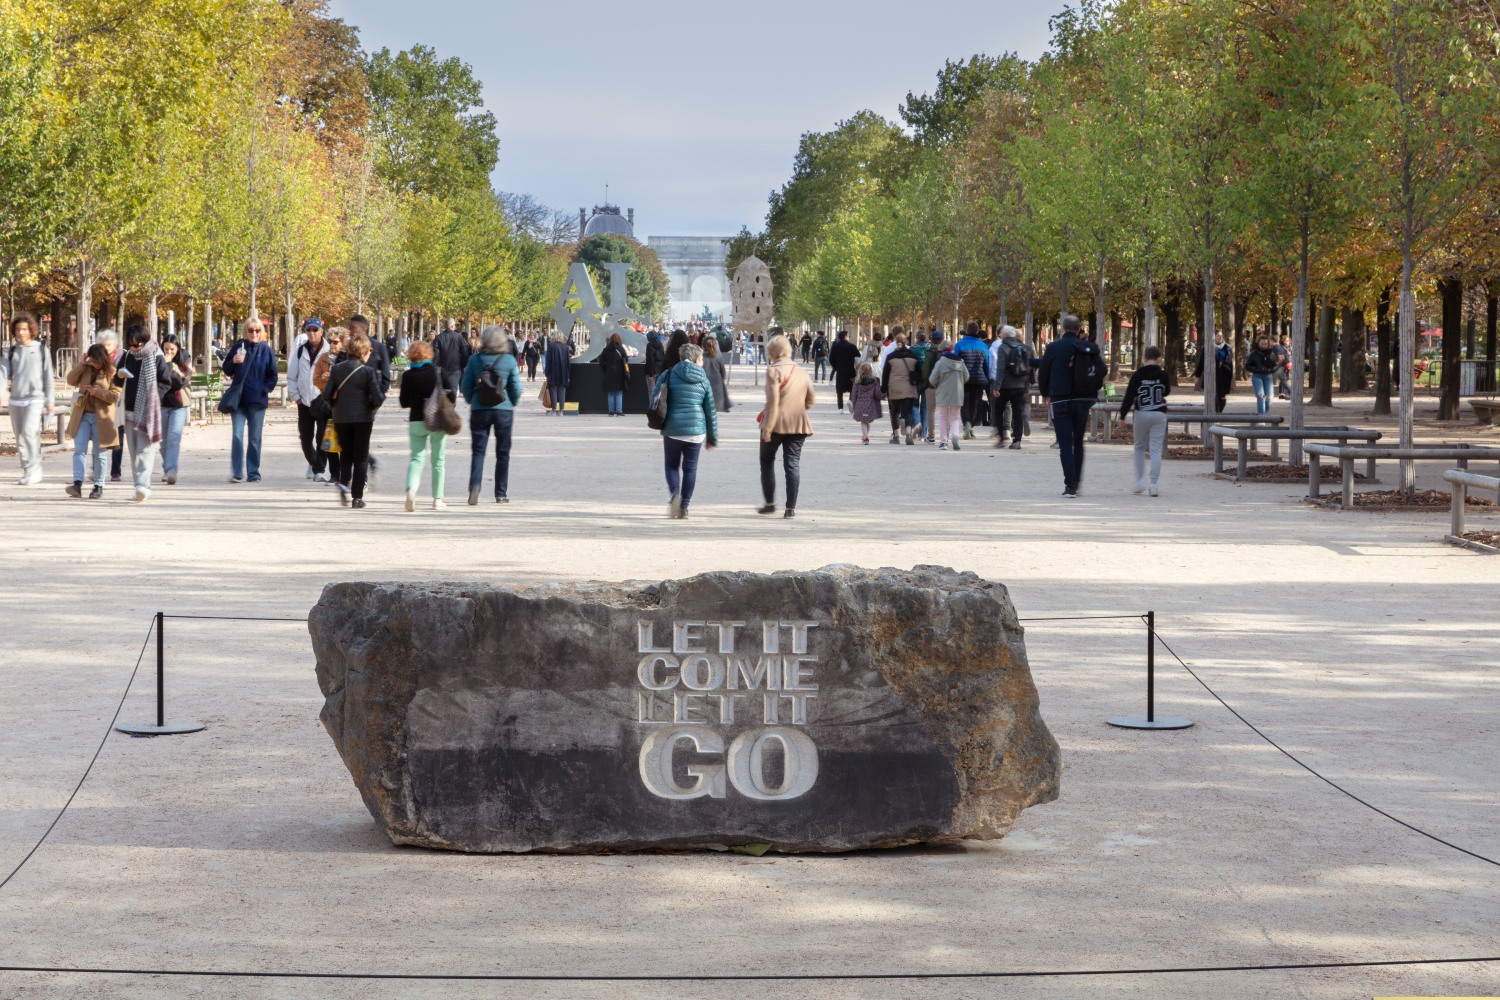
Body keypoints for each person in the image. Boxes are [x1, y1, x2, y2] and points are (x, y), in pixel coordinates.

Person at [461, 325, 523, 505]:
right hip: (503, 411)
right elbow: (516, 388)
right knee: (503, 453)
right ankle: (501, 493)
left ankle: (474, 486)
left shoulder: (475, 360)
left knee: (478, 452)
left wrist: (472, 400)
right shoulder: (508, 360)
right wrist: (511, 402)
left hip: (479, 410)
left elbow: (465, 386)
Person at [1038, 314, 1099, 499]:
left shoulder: (1053, 347)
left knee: (1065, 444)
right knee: (1078, 442)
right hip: (1082, 399)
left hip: (1060, 399)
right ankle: (1077, 483)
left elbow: (1043, 372)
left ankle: (1070, 485)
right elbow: (1101, 370)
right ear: (1080, 328)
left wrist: (1045, 393)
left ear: (1063, 329)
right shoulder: (1089, 348)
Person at [655, 342, 717, 519]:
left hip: (672, 428)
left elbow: (655, 398)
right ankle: (684, 507)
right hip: (696, 430)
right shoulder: (703, 379)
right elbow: (710, 409)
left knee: (671, 465)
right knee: (690, 469)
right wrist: (712, 436)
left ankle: (675, 495)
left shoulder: (668, 374)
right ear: (697, 358)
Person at [323, 331, 385, 508]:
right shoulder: (367, 372)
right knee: (361, 457)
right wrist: (371, 408)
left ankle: (343, 487)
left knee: (346, 455)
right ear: (364, 351)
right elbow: (379, 398)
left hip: (341, 418)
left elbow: (327, 395)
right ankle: (357, 496)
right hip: (363, 418)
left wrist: (335, 408)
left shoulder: (336, 369)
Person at [757, 334, 815, 519]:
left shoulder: (773, 371)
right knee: (792, 464)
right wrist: (797, 409)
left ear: (772, 352)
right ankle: (790, 508)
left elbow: (773, 402)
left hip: (775, 424)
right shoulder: (802, 372)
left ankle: (770, 503)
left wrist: (767, 428)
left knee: (767, 461)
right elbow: (810, 400)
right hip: (798, 424)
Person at [220, 317, 278, 483]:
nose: (254, 333)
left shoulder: (266, 349)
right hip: (239, 401)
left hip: (257, 401)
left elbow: (272, 375)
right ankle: (237, 472)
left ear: (262, 332)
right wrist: (233, 361)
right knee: (237, 436)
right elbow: (226, 369)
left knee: (254, 438)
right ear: (245, 331)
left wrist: (264, 390)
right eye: (251, 330)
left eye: (257, 330)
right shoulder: (239, 347)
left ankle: (253, 472)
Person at [117, 324, 169, 502]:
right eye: (130, 345)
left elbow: (165, 381)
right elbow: (116, 379)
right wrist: (120, 376)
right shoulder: (127, 356)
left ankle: (143, 486)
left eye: (137, 345)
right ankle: (139, 485)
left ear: (145, 342)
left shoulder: (156, 355)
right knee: (133, 453)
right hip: (129, 410)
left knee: (144, 450)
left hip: (148, 411)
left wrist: (153, 398)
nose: (134, 348)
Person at [0, 312, 54, 484]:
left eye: (24, 329)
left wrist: (50, 401)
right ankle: (27, 469)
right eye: (17, 330)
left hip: (35, 398)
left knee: (30, 432)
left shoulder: (40, 349)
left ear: (31, 330)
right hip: (16, 399)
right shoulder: (11, 351)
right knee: (20, 437)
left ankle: (35, 466)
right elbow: (3, 374)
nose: (21, 333)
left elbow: (48, 376)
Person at [63, 343, 119, 499]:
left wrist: (98, 392)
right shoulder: (86, 369)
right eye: (91, 360)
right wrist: (82, 364)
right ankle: (77, 483)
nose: (93, 363)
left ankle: (98, 485)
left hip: (102, 418)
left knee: (99, 453)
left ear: (103, 359)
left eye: (96, 361)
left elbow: (115, 395)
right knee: (79, 449)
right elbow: (70, 379)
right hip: (83, 415)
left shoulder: (113, 372)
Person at [398, 341, 448, 512]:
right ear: (429, 354)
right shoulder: (438, 372)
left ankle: (411, 490)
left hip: (416, 420)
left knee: (416, 459)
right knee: (438, 461)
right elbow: (451, 396)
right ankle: (437, 500)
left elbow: (404, 402)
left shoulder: (408, 376)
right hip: (437, 420)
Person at [1119, 345, 1172, 497]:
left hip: (1142, 412)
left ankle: (1139, 481)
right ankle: (1153, 484)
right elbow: (1166, 391)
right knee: (1155, 449)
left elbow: (1129, 396)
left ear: (1144, 358)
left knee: (1139, 447)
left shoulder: (1137, 375)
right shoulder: (1163, 375)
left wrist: (1122, 416)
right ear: (1158, 359)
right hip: (1159, 413)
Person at [288, 318, 331, 481]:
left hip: (322, 401)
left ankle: (319, 470)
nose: (312, 333)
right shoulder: (300, 350)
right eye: (309, 330)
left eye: (315, 329)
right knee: (305, 438)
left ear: (321, 331)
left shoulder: (329, 350)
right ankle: (314, 463)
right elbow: (292, 376)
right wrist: (296, 397)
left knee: (322, 436)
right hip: (304, 402)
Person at [312, 327, 346, 488]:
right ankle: (334, 474)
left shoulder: (346, 359)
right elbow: (316, 380)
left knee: (342, 440)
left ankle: (345, 474)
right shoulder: (323, 359)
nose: (332, 344)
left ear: (342, 343)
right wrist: (327, 380)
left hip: (341, 404)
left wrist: (332, 378)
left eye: (335, 342)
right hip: (325, 403)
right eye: (330, 341)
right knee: (326, 439)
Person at [989, 325, 1032, 450]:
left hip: (1006, 386)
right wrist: (1027, 386)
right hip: (1021, 385)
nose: (1000, 334)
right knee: (1017, 412)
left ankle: (1002, 438)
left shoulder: (1003, 347)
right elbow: (1030, 368)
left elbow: (1001, 368)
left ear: (1006, 335)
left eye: (1001, 332)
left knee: (998, 410)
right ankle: (1017, 441)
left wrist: (996, 387)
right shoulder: (1025, 347)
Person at [159, 337, 192, 484]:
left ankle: (171, 470)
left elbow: (179, 382)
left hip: (179, 405)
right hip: (162, 404)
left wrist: (169, 366)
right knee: (164, 442)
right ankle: (167, 467)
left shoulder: (184, 362)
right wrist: (165, 365)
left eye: (172, 349)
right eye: (166, 349)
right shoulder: (158, 361)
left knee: (173, 438)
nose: (169, 352)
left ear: (177, 349)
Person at [880, 331, 920, 446]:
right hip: (909, 388)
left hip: (894, 388)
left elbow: (885, 374)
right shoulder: (913, 356)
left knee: (895, 412)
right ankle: (908, 434)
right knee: (907, 412)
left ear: (896, 342)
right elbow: (919, 372)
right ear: (906, 341)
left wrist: (883, 388)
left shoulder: (890, 357)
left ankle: (896, 436)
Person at [929, 343, 969, 451]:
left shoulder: (941, 362)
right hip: (957, 392)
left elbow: (932, 379)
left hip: (943, 393)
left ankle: (943, 442)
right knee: (955, 417)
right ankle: (955, 436)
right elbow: (966, 377)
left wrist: (938, 384)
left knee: (943, 417)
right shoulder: (961, 361)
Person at [954, 322, 991, 439]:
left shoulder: (959, 345)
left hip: (963, 379)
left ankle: (966, 425)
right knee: (975, 403)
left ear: (967, 330)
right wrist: (987, 378)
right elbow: (987, 364)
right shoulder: (983, 346)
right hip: (979, 379)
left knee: (964, 403)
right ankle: (971, 426)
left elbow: (954, 362)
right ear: (977, 331)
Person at [349, 315, 392, 394]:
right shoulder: (347, 347)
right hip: (349, 397)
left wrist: (379, 396)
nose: (350, 331)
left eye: (353, 327)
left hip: (369, 397)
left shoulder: (378, 347)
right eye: (349, 327)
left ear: (363, 329)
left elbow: (386, 375)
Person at [432, 319, 471, 403]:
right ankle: (451, 410)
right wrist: (462, 365)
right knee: (453, 390)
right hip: (455, 368)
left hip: (442, 368)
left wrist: (435, 366)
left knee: (442, 391)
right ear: (453, 326)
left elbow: (435, 354)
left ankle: (443, 409)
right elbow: (464, 353)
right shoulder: (459, 337)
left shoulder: (439, 337)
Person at [1196, 332, 1233, 413]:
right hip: (1211, 374)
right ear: (1214, 337)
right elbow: (1201, 362)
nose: (1220, 337)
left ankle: (1219, 413)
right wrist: (1197, 376)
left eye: (1221, 335)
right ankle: (1213, 413)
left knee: (1222, 397)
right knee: (1212, 395)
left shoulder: (1227, 348)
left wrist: (1229, 375)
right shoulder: (1208, 347)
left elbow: (1230, 363)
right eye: (1218, 336)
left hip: (1224, 375)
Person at [920, 331, 947, 442]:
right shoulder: (948, 352)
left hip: (931, 386)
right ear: (942, 340)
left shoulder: (929, 353)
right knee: (945, 411)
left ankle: (931, 436)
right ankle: (945, 436)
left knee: (930, 411)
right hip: (945, 386)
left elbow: (925, 371)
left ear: (931, 340)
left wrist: (925, 385)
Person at [848, 361, 883, 444]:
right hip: (871, 405)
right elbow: (878, 394)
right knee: (867, 421)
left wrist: (854, 404)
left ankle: (865, 436)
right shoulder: (875, 381)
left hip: (860, 404)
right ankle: (865, 435)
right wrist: (884, 394)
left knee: (863, 421)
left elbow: (854, 394)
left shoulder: (857, 382)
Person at [1246, 334, 1279, 415]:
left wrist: (1270, 369)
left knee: (1269, 398)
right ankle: (1261, 417)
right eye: (1262, 344)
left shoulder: (1271, 353)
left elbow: (1275, 365)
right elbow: (1247, 366)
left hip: (1268, 376)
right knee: (1261, 396)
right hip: (1257, 376)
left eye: (1265, 344)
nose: (1264, 346)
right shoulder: (1254, 353)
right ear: (1258, 343)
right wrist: (1257, 369)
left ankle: (1263, 415)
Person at [599, 333, 631, 416]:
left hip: (609, 373)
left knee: (611, 393)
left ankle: (611, 411)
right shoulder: (621, 349)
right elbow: (626, 360)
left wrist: (605, 369)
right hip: (620, 373)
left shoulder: (606, 350)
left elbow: (601, 361)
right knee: (619, 392)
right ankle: (619, 411)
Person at [829, 330, 859, 411]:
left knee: (839, 390)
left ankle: (840, 408)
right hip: (851, 370)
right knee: (852, 387)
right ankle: (850, 400)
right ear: (845, 336)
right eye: (848, 336)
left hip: (840, 371)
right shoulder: (852, 346)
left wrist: (836, 367)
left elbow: (831, 359)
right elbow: (858, 357)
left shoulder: (835, 346)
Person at [543, 332, 571, 414]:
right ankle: (561, 410)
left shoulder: (551, 346)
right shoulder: (566, 347)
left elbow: (548, 360)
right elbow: (568, 362)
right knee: (562, 390)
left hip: (553, 371)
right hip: (563, 371)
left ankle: (554, 410)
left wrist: (546, 372)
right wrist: (568, 373)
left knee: (553, 390)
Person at [702, 335, 732, 413]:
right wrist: (722, 380)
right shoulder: (717, 356)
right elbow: (723, 371)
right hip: (717, 383)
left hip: (704, 382)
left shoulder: (700, 357)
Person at [643, 330, 666, 398]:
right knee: (658, 390)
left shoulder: (649, 345)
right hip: (659, 369)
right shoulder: (661, 344)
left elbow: (650, 360)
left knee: (651, 390)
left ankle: (652, 407)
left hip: (652, 370)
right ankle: (657, 406)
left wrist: (650, 374)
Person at [1276, 334, 1293, 399]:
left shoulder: (1287, 348)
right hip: (1283, 365)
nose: (1289, 342)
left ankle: (1283, 393)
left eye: (1289, 340)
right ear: (1283, 341)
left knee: (1285, 379)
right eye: (1287, 340)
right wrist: (1286, 362)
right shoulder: (1281, 348)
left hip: (1287, 365)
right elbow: (1282, 357)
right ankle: (1282, 393)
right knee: (1284, 379)